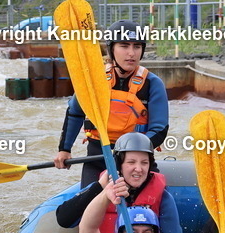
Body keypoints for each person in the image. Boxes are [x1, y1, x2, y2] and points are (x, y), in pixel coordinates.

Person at [53, 20, 170, 188]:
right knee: (87, 206)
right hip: (98, 158)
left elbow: (159, 130)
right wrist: (64, 149)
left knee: (155, 200)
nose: (131, 53)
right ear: (111, 49)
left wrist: (129, 151)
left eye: (137, 46)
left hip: (136, 161)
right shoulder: (94, 80)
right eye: (124, 46)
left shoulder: (152, 83)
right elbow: (75, 113)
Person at [55, 133, 182, 233]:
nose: (138, 169)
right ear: (118, 165)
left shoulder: (163, 196)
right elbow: (64, 219)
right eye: (131, 162)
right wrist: (101, 187)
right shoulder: (101, 189)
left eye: (144, 163)